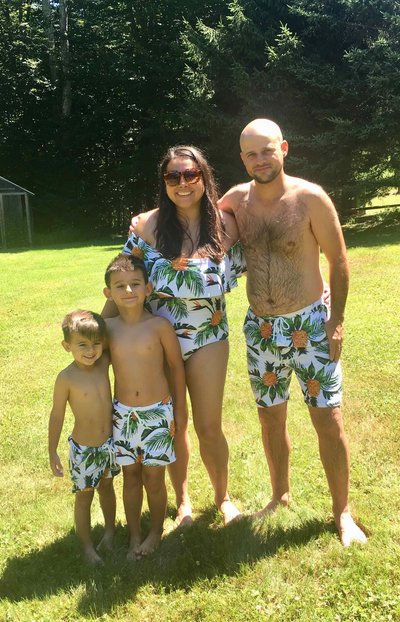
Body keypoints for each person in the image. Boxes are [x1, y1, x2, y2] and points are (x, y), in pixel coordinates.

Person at [218, 118, 367, 547]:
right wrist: (146, 218)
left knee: (328, 418)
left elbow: (339, 261)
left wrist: (335, 322)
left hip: (310, 324)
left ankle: (343, 513)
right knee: (270, 417)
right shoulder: (237, 199)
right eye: (251, 153)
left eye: (267, 150)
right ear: (242, 158)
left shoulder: (310, 198)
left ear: (284, 148)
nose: (260, 160)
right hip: (262, 330)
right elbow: (192, 210)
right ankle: (280, 494)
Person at [107, 145, 244, 526]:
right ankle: (183, 502)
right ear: (164, 182)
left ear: (204, 176)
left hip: (209, 337)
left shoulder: (228, 225)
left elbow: (267, 257)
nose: (182, 183)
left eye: (190, 174)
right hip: (158, 338)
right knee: (174, 423)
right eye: (173, 176)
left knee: (208, 425)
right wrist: (102, 330)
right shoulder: (147, 226)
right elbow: (121, 277)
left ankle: (222, 498)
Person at [103, 253, 186, 559]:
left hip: (158, 414)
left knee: (154, 477)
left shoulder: (160, 326)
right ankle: (135, 533)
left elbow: (177, 368)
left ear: (148, 288)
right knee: (131, 478)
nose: (128, 291)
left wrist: (180, 409)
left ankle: (156, 530)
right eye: (120, 286)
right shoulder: (107, 329)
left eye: (135, 284)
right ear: (108, 293)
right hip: (123, 416)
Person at [48, 310, 120, 565]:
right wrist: (52, 450)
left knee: (107, 488)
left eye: (95, 344)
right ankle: (88, 547)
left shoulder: (103, 363)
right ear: (66, 346)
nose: (91, 351)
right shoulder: (66, 378)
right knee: (84, 496)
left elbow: (115, 329)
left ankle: (110, 532)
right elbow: (57, 415)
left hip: (109, 444)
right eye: (82, 345)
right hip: (84, 450)